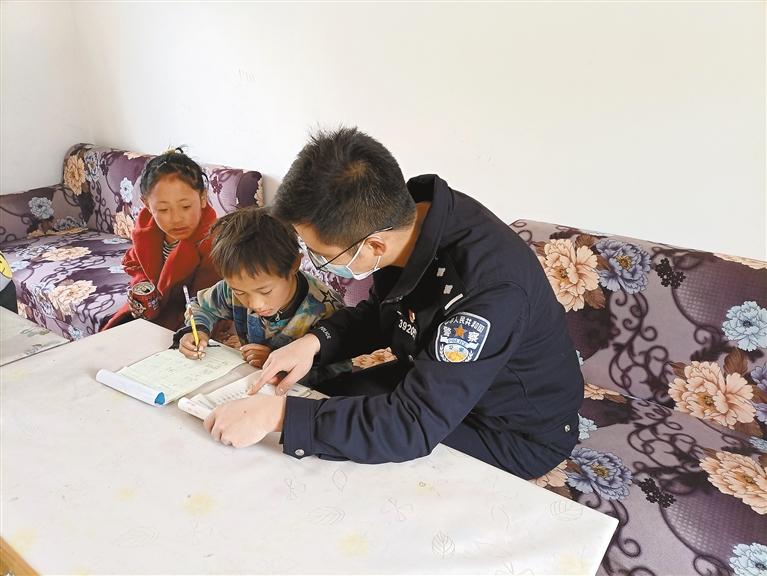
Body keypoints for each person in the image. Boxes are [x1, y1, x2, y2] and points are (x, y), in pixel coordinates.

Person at [203, 127, 583, 480]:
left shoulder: (486, 291)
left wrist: (279, 417)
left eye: (321, 255)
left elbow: (411, 425)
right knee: (328, 398)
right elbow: (384, 313)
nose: (317, 263)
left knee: (345, 450)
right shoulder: (408, 217)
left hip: (510, 429)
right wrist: (314, 342)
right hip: (433, 377)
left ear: (373, 246)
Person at [174, 207, 347, 378]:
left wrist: (278, 366)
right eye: (239, 292)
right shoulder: (234, 288)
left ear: (293, 265)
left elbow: (338, 372)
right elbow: (200, 306)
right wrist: (197, 330)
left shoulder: (326, 310)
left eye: (265, 291)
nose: (254, 304)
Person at [103, 148, 220, 331]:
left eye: (185, 206)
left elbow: (209, 302)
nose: (176, 218)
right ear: (147, 205)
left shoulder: (213, 241)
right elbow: (135, 262)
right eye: (164, 210)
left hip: (191, 320)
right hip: (150, 313)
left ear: (203, 198)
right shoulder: (147, 229)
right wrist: (142, 288)